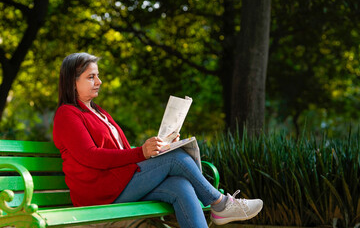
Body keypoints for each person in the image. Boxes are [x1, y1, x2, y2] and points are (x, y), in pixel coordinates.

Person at [53, 52, 263, 227]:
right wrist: (141, 152)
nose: (99, 81)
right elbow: (91, 156)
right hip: (99, 194)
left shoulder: (100, 113)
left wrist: (160, 145)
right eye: (91, 77)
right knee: (176, 158)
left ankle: (221, 207)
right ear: (73, 82)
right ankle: (221, 203)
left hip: (118, 184)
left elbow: (121, 151)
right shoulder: (67, 114)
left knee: (180, 185)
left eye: (97, 76)